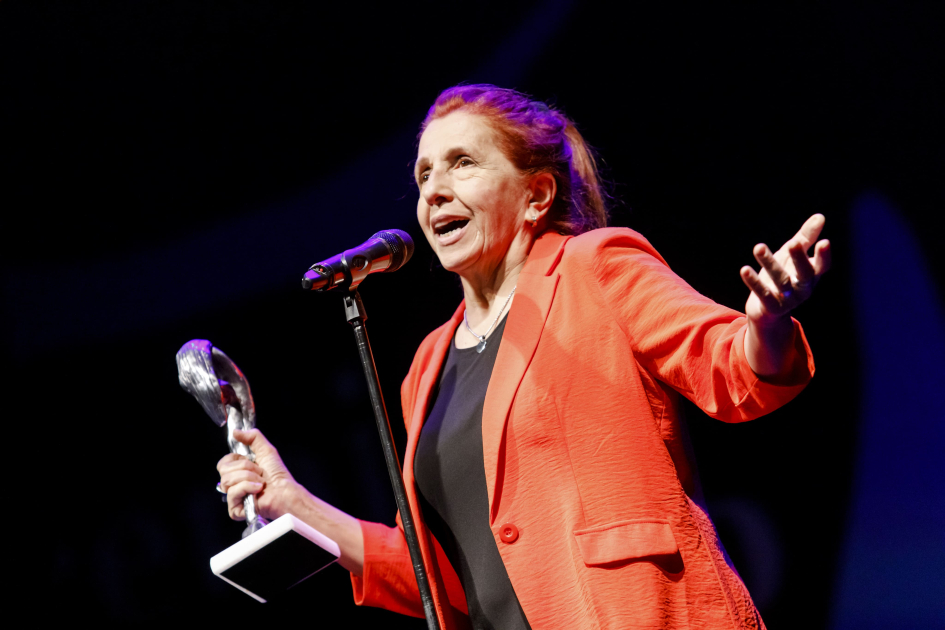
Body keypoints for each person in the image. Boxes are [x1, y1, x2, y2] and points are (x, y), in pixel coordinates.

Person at [216, 84, 831, 629]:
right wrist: (292, 502)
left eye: (462, 165)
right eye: (425, 173)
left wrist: (767, 322)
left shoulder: (595, 267)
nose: (434, 191)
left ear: (536, 194)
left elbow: (727, 366)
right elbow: (439, 579)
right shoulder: (427, 369)